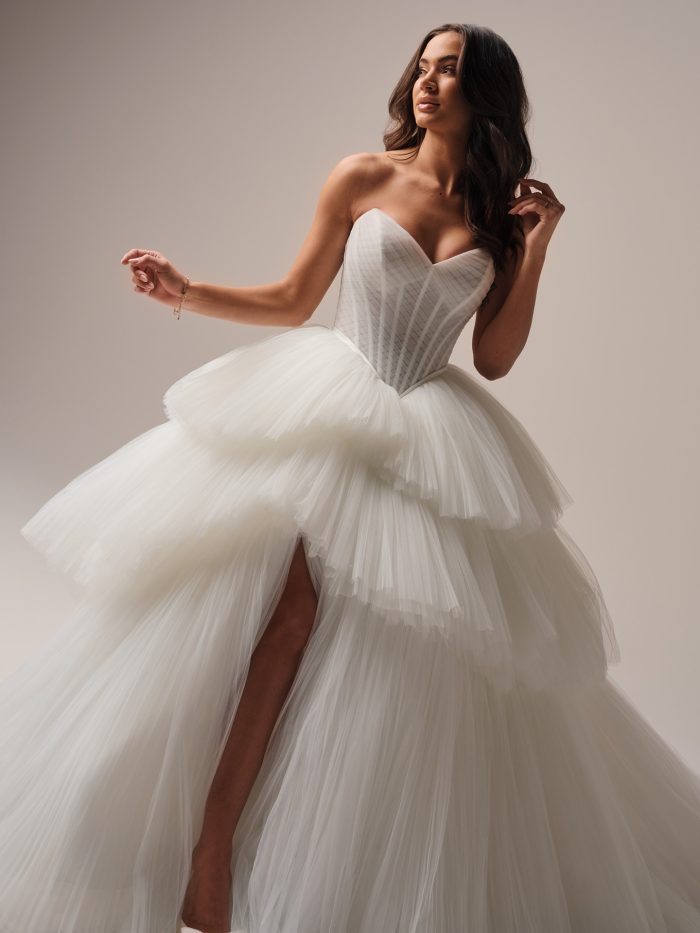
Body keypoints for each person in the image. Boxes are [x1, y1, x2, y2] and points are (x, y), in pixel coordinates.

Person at [2, 21, 699, 933]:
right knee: (288, 617)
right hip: (331, 407)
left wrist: (537, 247)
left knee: (397, 663)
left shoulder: (498, 218)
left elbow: (493, 357)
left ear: (485, 92)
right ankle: (205, 856)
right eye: (424, 65)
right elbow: (295, 298)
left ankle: (315, 861)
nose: (427, 81)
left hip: (432, 439)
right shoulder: (363, 177)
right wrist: (186, 290)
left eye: (450, 71)